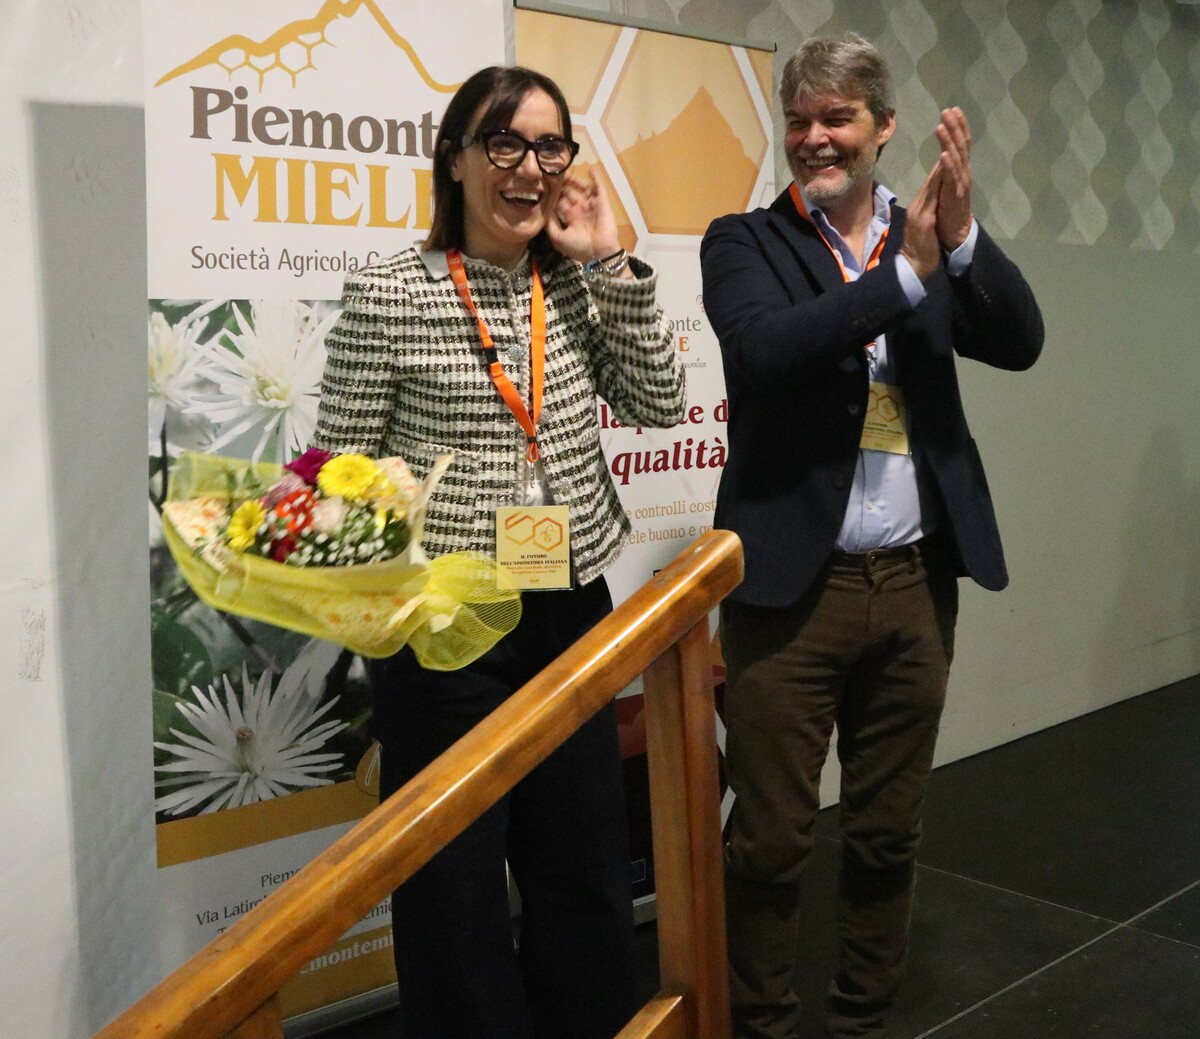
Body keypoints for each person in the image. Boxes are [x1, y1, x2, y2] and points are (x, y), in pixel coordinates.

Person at [311, 65, 686, 1039]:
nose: (529, 167)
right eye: (504, 142)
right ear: (455, 159)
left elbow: (658, 403)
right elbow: (335, 468)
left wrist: (611, 262)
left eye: (549, 145)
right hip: (447, 630)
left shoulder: (576, 283)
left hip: (570, 610)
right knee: (453, 885)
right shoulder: (391, 291)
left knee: (584, 867)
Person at [700, 34, 1044, 1039]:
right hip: (789, 591)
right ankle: (761, 1024)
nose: (815, 137)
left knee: (888, 831)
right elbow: (765, 351)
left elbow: (1020, 341)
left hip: (914, 582)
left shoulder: (928, 231)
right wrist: (903, 279)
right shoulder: (747, 241)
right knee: (770, 839)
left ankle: (862, 1019)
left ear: (883, 126)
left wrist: (962, 240)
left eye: (837, 117)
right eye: (799, 119)